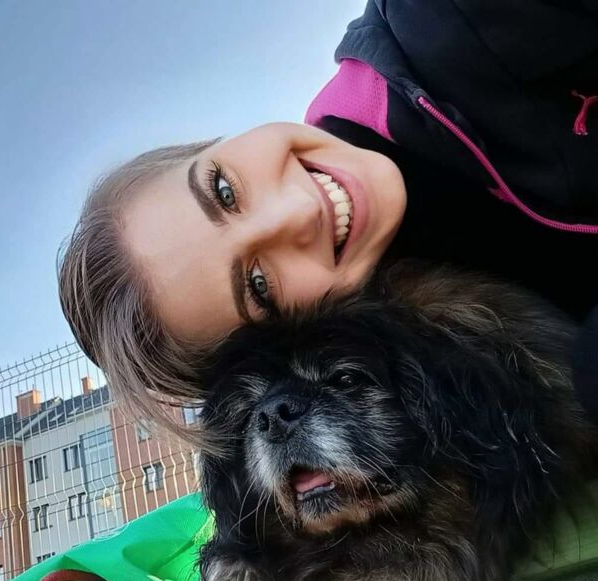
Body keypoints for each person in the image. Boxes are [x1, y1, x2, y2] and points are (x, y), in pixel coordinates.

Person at [58, 0, 598, 444]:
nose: (298, 210)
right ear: (298, 339)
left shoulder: (453, 17)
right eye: (259, 285)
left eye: (224, 191)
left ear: (212, 142)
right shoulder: (454, 347)